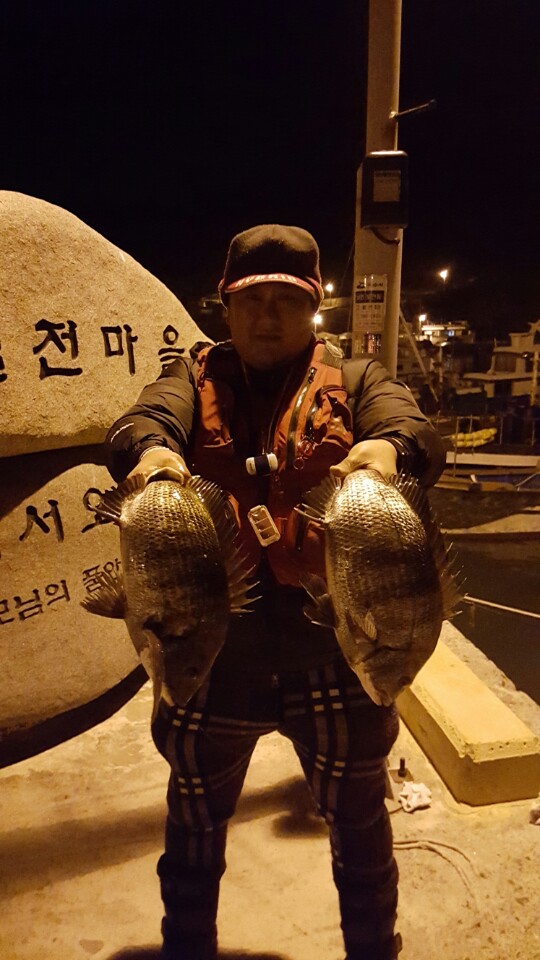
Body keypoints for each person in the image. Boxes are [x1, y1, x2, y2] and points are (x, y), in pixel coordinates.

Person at [105, 224, 446, 960]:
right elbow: (141, 420)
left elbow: (415, 430)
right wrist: (153, 451)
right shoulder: (190, 377)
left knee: (361, 833)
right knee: (193, 832)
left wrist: (388, 448)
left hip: (337, 655)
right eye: (251, 300)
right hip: (212, 657)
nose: (266, 317)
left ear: (314, 307)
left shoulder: (357, 379)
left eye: (286, 301)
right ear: (226, 306)